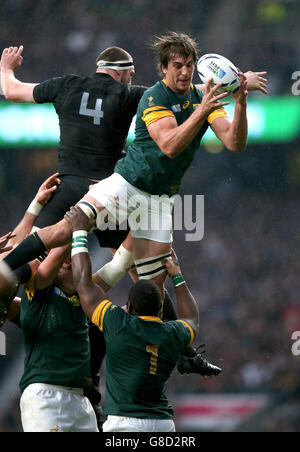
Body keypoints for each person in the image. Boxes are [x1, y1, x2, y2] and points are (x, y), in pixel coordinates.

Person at [0, 35, 267, 375]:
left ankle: (163, 362)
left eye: (189, 65)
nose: (185, 72)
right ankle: (7, 271)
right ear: (153, 71)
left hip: (127, 196)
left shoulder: (68, 85)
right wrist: (217, 97)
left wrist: (239, 96)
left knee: (149, 288)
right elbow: (170, 143)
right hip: (121, 185)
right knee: (79, 239)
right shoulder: (148, 95)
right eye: (178, 67)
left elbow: (234, 141)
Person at [65, 205, 202, 432]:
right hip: (163, 425)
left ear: (128, 307)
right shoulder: (174, 333)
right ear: (161, 307)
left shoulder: (117, 324)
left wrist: (80, 231)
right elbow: (191, 319)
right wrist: (177, 276)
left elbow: (83, 284)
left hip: (125, 423)